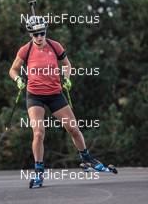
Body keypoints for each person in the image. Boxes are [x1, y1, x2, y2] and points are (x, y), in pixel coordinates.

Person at [9, 15, 104, 187]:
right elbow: (13, 70)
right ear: (30, 34)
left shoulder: (55, 46)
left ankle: (86, 158)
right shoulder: (26, 49)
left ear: (45, 32)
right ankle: (39, 172)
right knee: (38, 133)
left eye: (42, 33)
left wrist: (67, 78)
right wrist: (18, 80)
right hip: (35, 95)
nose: (39, 37)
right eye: (35, 34)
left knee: (73, 129)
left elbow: (67, 65)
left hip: (55, 94)